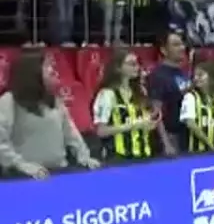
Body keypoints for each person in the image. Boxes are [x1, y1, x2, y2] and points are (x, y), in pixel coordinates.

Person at [0, 48, 98, 178]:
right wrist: (22, 165)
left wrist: (84, 157)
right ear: (32, 72)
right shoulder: (9, 101)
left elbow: (71, 134)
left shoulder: (55, 101)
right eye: (47, 66)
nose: (53, 70)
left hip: (59, 172)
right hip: (24, 177)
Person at [93, 49, 159, 161]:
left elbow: (143, 119)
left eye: (137, 63)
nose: (137, 67)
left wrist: (149, 123)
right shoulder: (107, 94)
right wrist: (131, 126)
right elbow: (101, 131)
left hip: (144, 155)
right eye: (131, 64)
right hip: (119, 158)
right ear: (118, 68)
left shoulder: (140, 91)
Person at [145, 31, 191, 155]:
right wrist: (166, 143)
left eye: (182, 44)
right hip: (171, 136)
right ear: (164, 50)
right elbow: (156, 112)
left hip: (186, 134)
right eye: (176, 45)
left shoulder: (182, 73)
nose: (182, 48)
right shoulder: (158, 76)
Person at [179, 60, 214, 152]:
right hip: (198, 151)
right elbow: (190, 123)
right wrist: (209, 144)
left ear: (212, 77)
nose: (196, 78)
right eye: (194, 76)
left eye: (200, 75)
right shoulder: (191, 97)